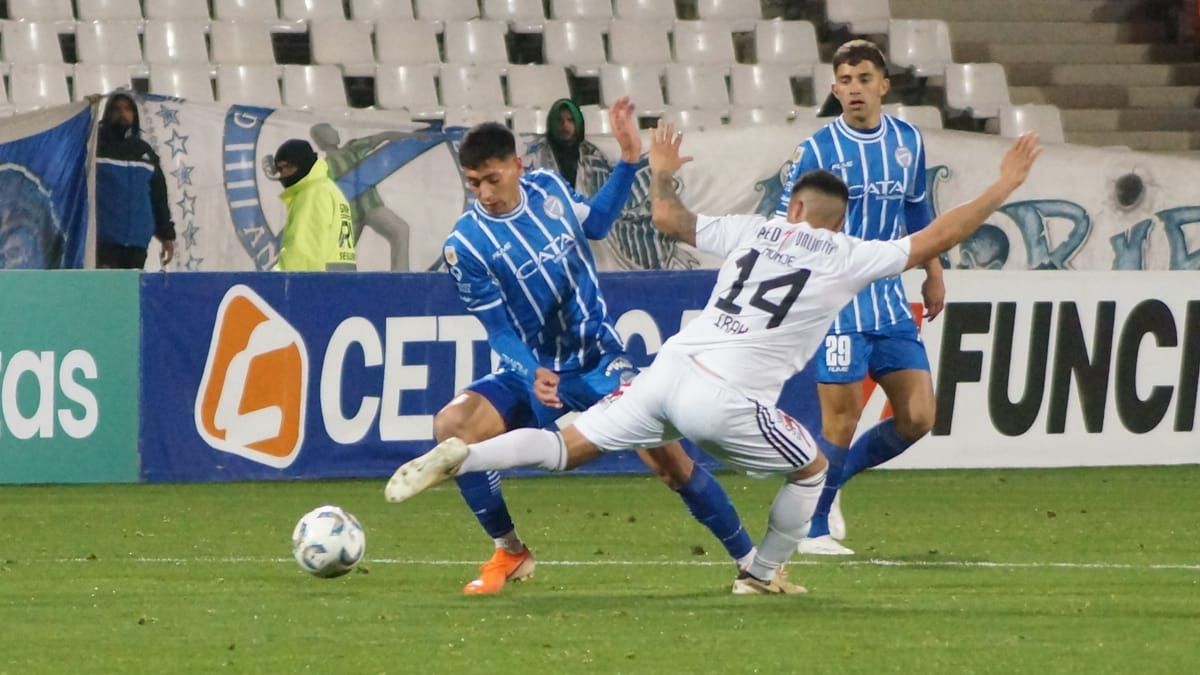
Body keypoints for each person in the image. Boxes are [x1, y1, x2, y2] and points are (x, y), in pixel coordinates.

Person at [385, 124, 1043, 595]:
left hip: (668, 369)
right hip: (724, 397)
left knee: (565, 447)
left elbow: (668, 217)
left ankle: (465, 457)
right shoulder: (848, 255)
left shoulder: (755, 230)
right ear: (839, 224)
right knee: (812, 469)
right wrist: (1003, 185)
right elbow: (940, 232)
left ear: (791, 208)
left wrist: (660, 166)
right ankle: (762, 573)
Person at [413, 98, 754, 595]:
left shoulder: (548, 189)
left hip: (597, 360)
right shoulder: (464, 246)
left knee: (670, 463)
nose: (484, 193)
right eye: (474, 183)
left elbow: (594, 224)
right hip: (530, 369)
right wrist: (529, 369)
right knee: (454, 427)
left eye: (492, 179)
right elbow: (498, 327)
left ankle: (753, 561)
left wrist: (629, 160)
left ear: (517, 166)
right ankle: (510, 550)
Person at [777, 40, 944, 555]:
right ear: (834, 88)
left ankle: (828, 485)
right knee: (841, 422)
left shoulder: (908, 142)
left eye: (864, 79)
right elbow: (789, 225)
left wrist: (934, 272)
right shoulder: (817, 150)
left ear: (883, 85)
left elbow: (918, 215)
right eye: (845, 81)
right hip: (837, 302)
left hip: (890, 299)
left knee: (918, 417)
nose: (855, 89)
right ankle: (815, 525)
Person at [309, 123, 412, 271]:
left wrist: (413, 137)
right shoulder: (321, 167)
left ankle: (401, 277)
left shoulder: (352, 148)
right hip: (348, 216)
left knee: (401, 230)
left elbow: (385, 135)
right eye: (328, 131)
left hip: (371, 207)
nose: (335, 132)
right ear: (319, 141)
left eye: (333, 129)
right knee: (339, 259)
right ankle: (344, 289)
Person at [94, 92, 176, 269]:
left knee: (131, 293)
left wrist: (166, 235)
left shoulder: (145, 152)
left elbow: (158, 196)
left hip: (138, 242)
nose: (122, 113)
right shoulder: (95, 148)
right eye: (116, 109)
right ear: (108, 114)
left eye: (127, 109)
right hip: (105, 241)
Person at [272, 139, 357, 271]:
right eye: (280, 169)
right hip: (339, 282)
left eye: (288, 167)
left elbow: (302, 252)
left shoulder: (312, 194)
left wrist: (274, 280)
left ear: (303, 164)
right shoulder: (330, 189)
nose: (283, 174)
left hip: (314, 285)